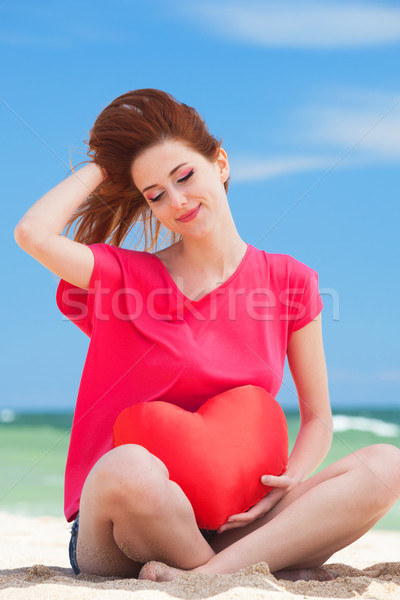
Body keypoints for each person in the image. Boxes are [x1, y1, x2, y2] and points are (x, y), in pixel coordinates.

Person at [14, 88, 400, 583]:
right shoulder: (123, 275)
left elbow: (319, 419)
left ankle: (207, 573)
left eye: (184, 176)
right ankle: (226, 574)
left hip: (237, 523)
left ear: (219, 163)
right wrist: (104, 165)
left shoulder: (290, 280)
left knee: (386, 465)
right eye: (155, 194)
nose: (176, 201)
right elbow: (34, 235)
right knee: (128, 466)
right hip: (128, 524)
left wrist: (286, 486)